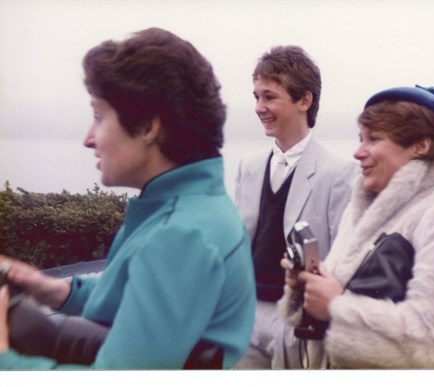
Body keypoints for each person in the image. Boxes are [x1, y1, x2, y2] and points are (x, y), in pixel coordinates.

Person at [0, 27, 256, 370]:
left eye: (98, 116)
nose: (88, 139)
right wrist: (55, 291)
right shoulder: (193, 210)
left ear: (148, 126)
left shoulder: (179, 236)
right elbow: (143, 304)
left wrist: (7, 361)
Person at [278, 85, 434, 368]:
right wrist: (308, 288)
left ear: (421, 145)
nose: (358, 152)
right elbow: (337, 298)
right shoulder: (362, 210)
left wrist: (337, 306)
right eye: (360, 139)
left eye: (374, 139)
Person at [233, 45, 358, 369]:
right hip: (245, 317)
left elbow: (343, 259)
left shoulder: (340, 172)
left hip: (298, 322)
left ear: (305, 100)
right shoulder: (248, 167)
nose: (260, 107)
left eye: (270, 97)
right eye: (256, 96)